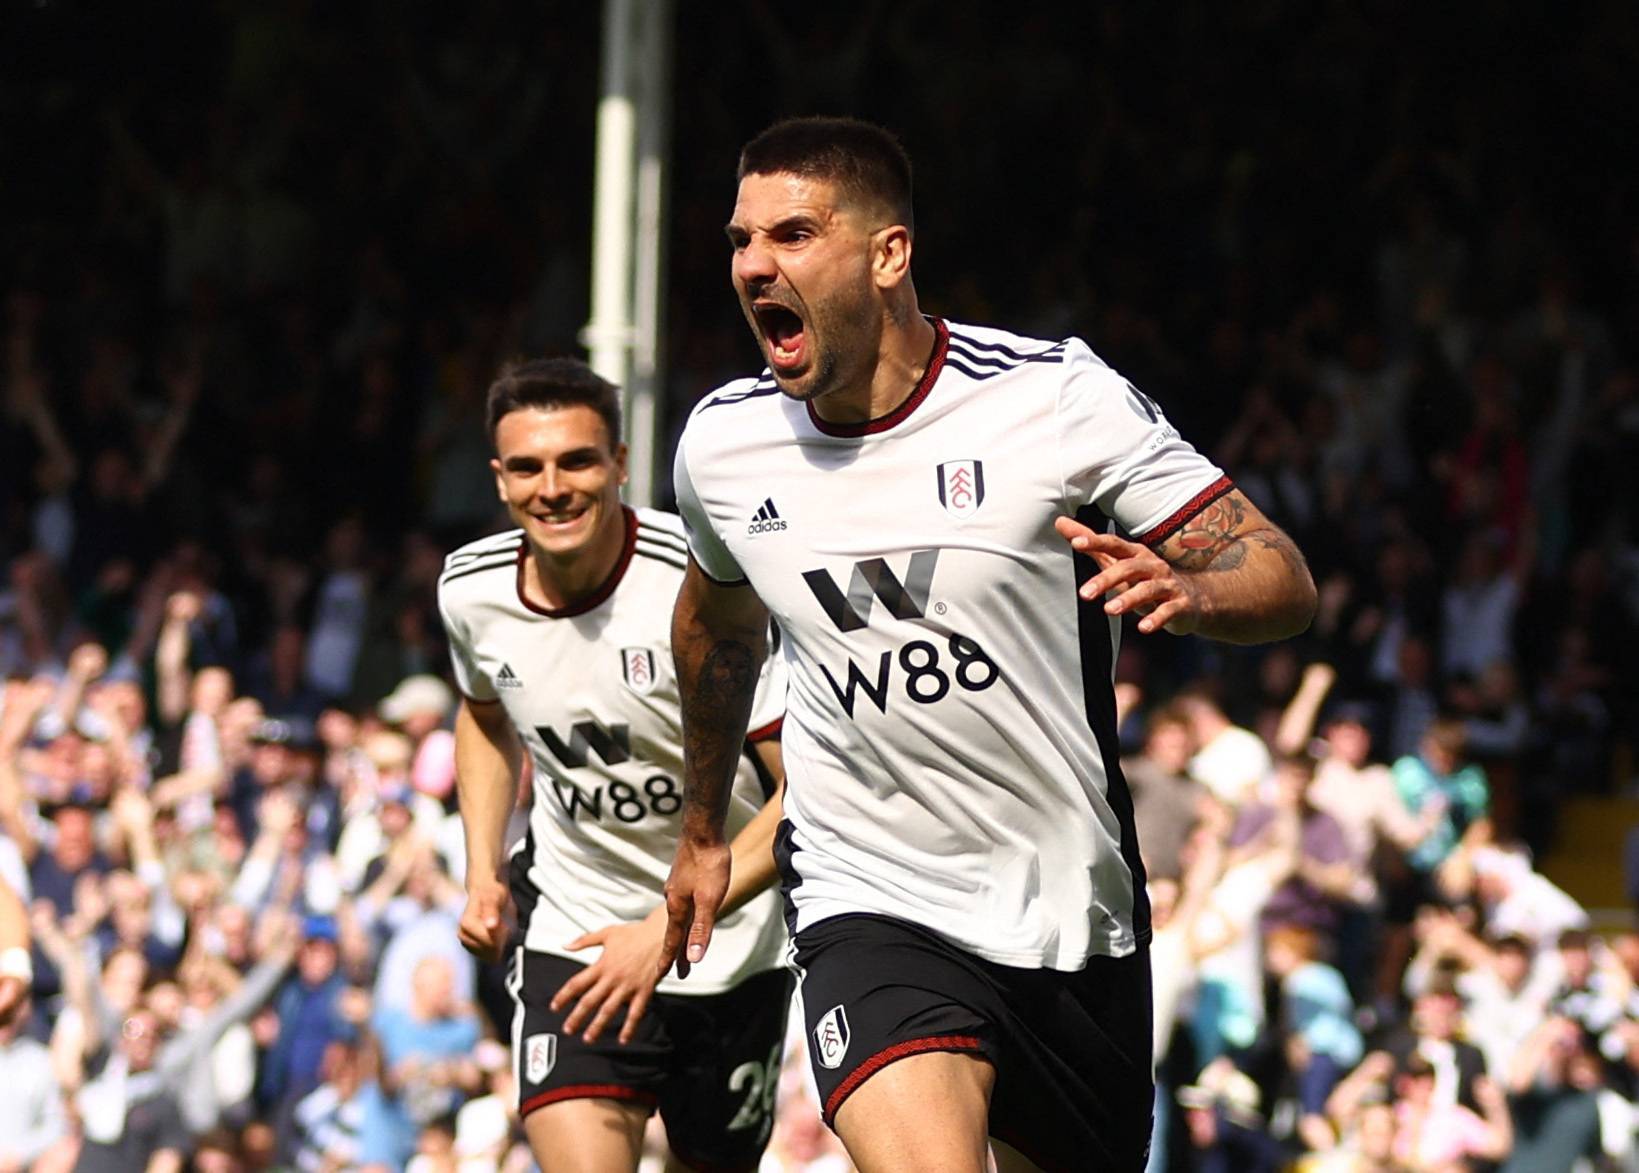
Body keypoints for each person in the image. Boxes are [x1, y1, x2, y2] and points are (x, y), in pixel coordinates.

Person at [664, 116, 1316, 1172]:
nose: (752, 267)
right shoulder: (725, 445)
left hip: (1071, 919)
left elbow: (1279, 575)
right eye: (741, 240)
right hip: (867, 901)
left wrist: (1192, 592)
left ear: (888, 254)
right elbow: (716, 623)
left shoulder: (1050, 400)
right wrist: (702, 828)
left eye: (790, 235)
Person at [442, 358, 792, 1172]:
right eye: (526, 466)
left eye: (577, 460)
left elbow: (806, 788)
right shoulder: (469, 591)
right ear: (499, 480)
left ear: (622, 465)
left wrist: (662, 935)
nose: (552, 487)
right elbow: (484, 715)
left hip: (730, 949)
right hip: (578, 935)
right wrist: (483, 873)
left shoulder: (707, 585)